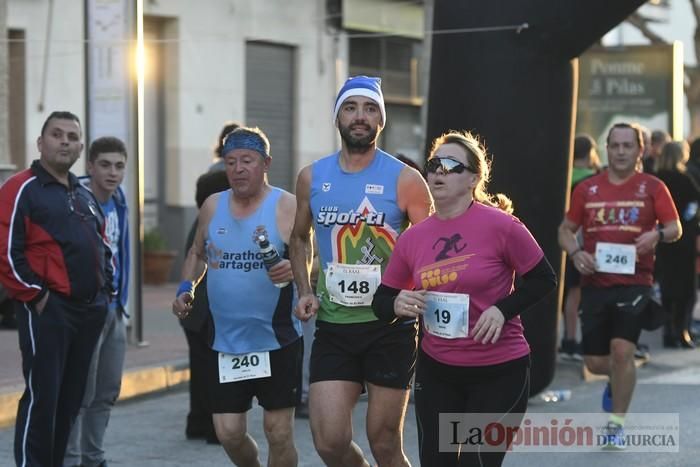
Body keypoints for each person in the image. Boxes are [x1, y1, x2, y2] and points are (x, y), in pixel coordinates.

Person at [372, 130, 556, 466]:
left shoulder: (502, 226)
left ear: (473, 178)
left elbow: (544, 279)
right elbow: (382, 302)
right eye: (434, 164)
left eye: (450, 164)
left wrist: (503, 309)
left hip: (499, 371)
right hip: (438, 370)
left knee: (475, 461)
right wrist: (396, 304)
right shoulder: (413, 238)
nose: (438, 171)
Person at [289, 75, 432, 466]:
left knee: (384, 444)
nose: (360, 117)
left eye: (370, 109)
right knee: (329, 442)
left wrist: (413, 295)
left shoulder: (405, 179)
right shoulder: (312, 178)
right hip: (334, 327)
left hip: (390, 328)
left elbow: (432, 249)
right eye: (351, 108)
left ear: (380, 121)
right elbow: (299, 238)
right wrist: (304, 288)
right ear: (338, 117)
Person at [172, 126, 302, 466]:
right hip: (227, 342)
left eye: (247, 160)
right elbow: (198, 253)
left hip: (277, 339)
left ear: (266, 163)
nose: (238, 169)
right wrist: (187, 288)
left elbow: (313, 259)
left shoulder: (287, 206)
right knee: (228, 432)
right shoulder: (214, 205)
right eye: (231, 162)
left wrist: (293, 269)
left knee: (279, 432)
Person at [558, 122, 681, 450]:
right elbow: (565, 230)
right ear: (607, 148)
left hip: (635, 282)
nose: (622, 151)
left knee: (622, 351)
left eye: (629, 145)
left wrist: (657, 234)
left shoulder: (653, 187)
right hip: (595, 282)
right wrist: (576, 252)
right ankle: (616, 378)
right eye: (616, 145)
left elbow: (675, 228)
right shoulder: (587, 189)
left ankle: (616, 424)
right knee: (595, 363)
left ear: (640, 150)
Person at [0, 111, 113, 466]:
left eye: (72, 136)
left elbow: (101, 244)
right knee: (43, 398)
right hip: (48, 311)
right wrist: (36, 295)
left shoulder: (82, 192)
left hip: (89, 311)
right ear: (40, 142)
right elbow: (5, 250)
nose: (65, 141)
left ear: (80, 146)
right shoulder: (20, 188)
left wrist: (105, 292)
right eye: (56, 134)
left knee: (69, 401)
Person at [63, 137, 130, 467]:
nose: (113, 172)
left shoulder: (119, 199)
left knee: (107, 391)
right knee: (81, 393)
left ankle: (94, 457)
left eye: (119, 166)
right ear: (90, 166)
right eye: (105, 164)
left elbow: (124, 252)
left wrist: (124, 304)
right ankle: (71, 459)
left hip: (114, 309)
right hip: (85, 311)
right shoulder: (76, 200)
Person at [180, 124, 239, 443]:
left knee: (202, 370)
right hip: (207, 312)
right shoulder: (216, 226)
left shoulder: (200, 222)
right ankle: (215, 428)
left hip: (194, 313)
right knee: (217, 372)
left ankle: (198, 422)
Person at [654, 141, 700, 348]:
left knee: (666, 286)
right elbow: (693, 208)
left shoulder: (656, 180)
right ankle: (681, 330)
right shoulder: (685, 180)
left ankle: (667, 331)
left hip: (661, 238)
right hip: (683, 240)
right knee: (686, 289)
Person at [560, 135, 600, 361]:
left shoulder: (564, 176)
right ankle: (574, 341)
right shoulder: (593, 181)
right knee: (578, 294)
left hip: (564, 239)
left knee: (569, 293)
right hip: (585, 242)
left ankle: (568, 338)